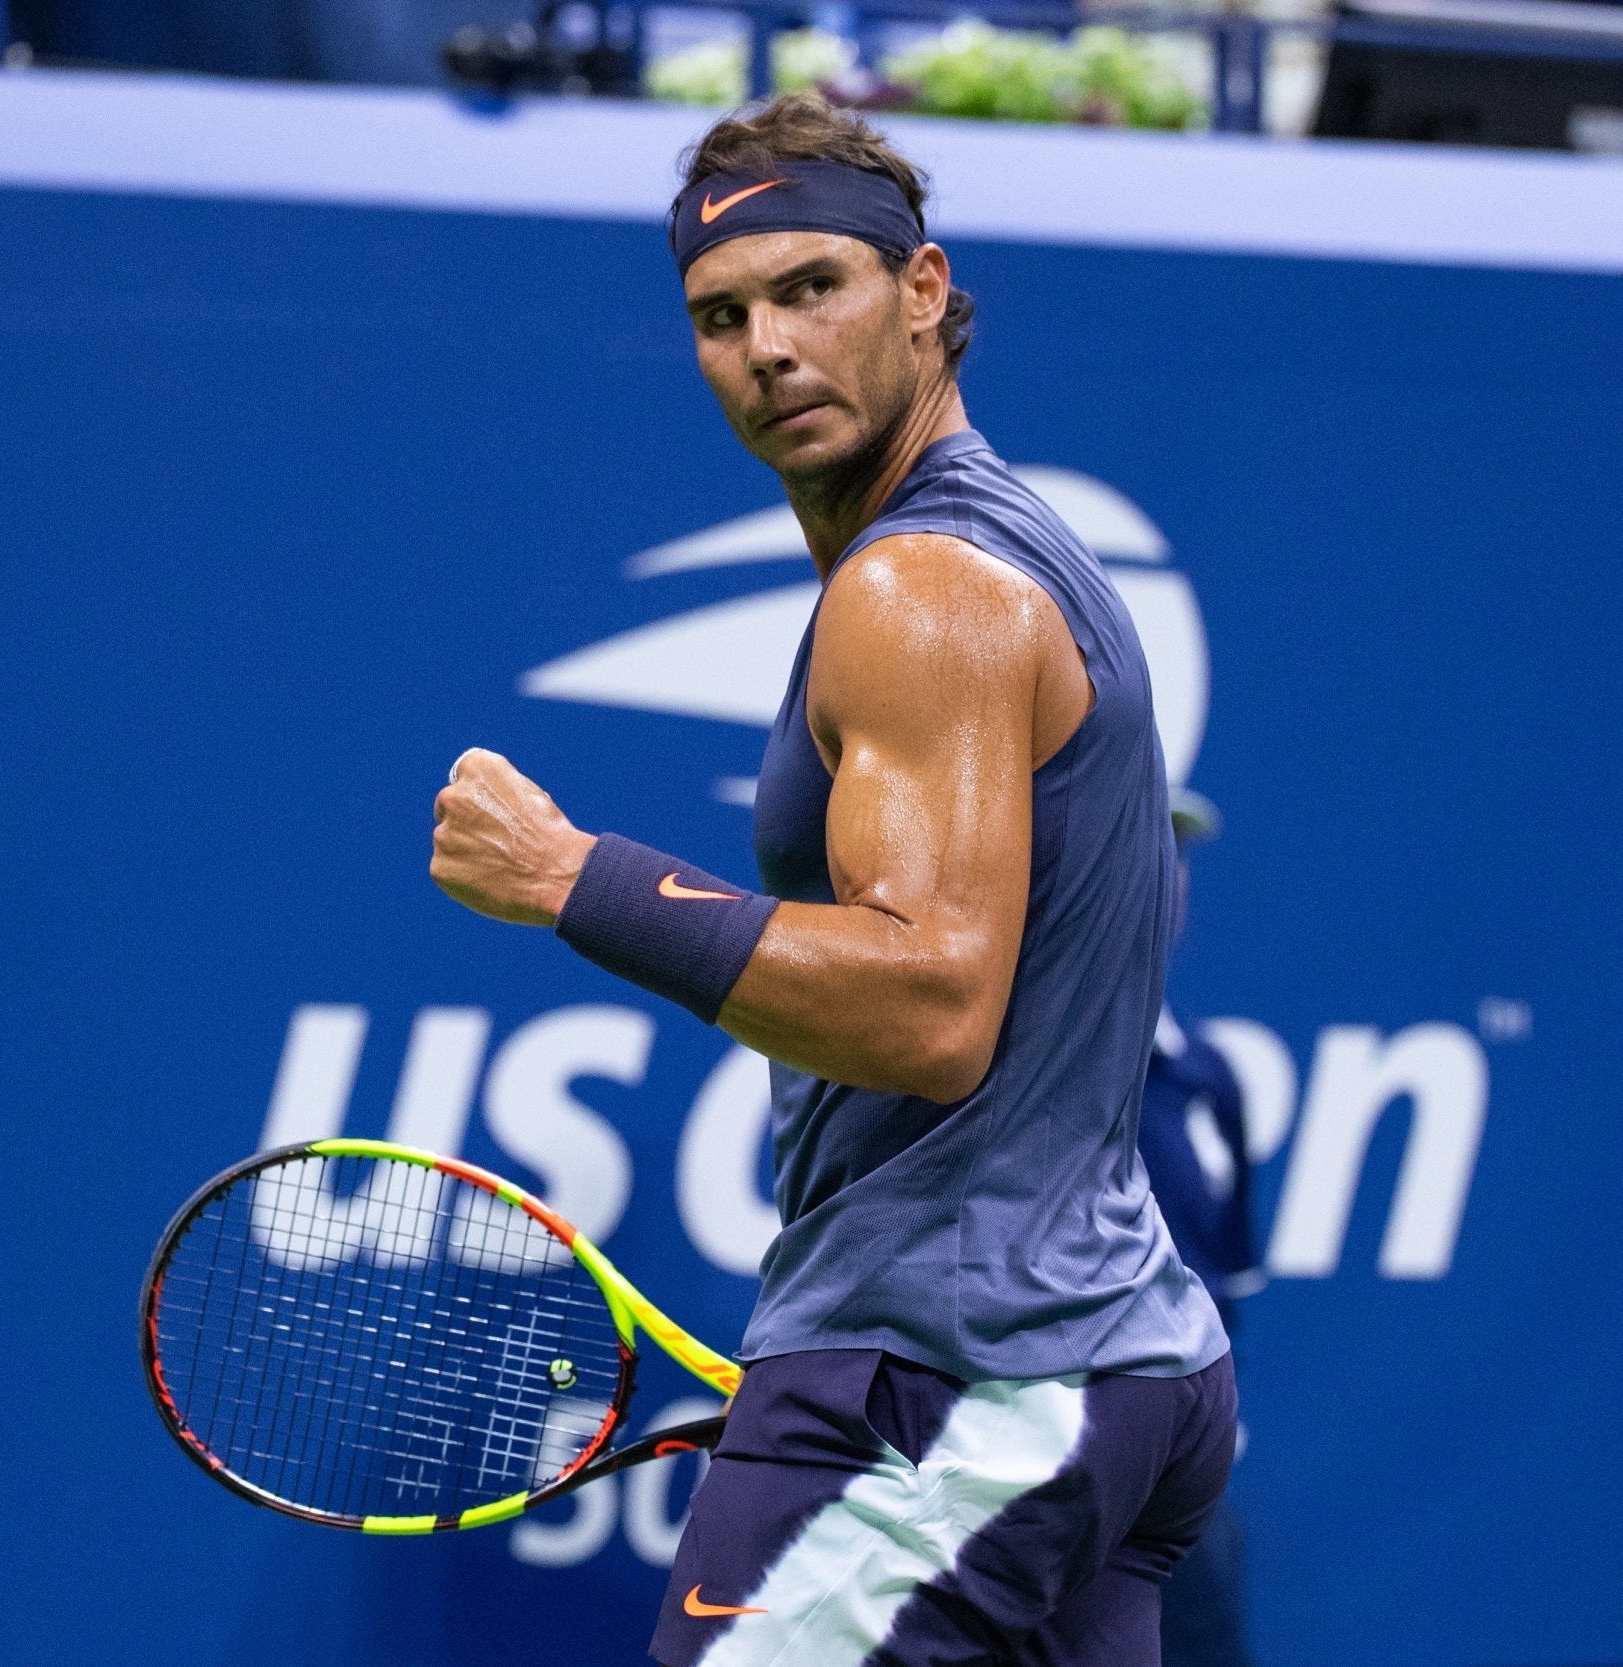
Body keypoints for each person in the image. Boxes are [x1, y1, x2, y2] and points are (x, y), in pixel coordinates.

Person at [427, 94, 1234, 1667]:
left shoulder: (919, 587)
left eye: (815, 289)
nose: (768, 347)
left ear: (922, 292)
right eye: (721, 316)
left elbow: (931, 1005)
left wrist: (572, 877)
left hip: (954, 1375)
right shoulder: (1008, 556)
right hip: (1103, 1367)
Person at [1136, 790, 1263, 1667]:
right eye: (1135, 848)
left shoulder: (1211, 1080)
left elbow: (1230, 1291)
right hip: (1036, 1489)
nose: (1162, 879)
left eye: (1174, 856)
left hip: (1184, 1492)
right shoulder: (993, 1071)